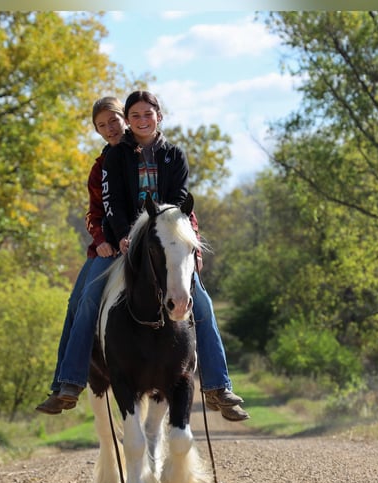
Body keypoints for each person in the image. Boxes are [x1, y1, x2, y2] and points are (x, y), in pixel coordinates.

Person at [36, 92, 249, 421]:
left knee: (202, 301)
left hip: (164, 241)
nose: (140, 121)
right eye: (134, 116)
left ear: (158, 116)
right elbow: (111, 205)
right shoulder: (113, 159)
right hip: (119, 242)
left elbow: (180, 203)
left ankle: (218, 385)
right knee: (85, 299)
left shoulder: (174, 155)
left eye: (144, 114)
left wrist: (189, 245)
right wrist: (119, 236)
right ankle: (68, 382)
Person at [35, 96, 126, 414]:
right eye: (102, 125)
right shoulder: (99, 167)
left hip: (144, 242)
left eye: (113, 121)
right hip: (107, 248)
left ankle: (211, 379)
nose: (109, 129)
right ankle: (66, 383)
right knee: (79, 302)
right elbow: (94, 214)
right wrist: (101, 239)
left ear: (124, 118)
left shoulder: (144, 154)